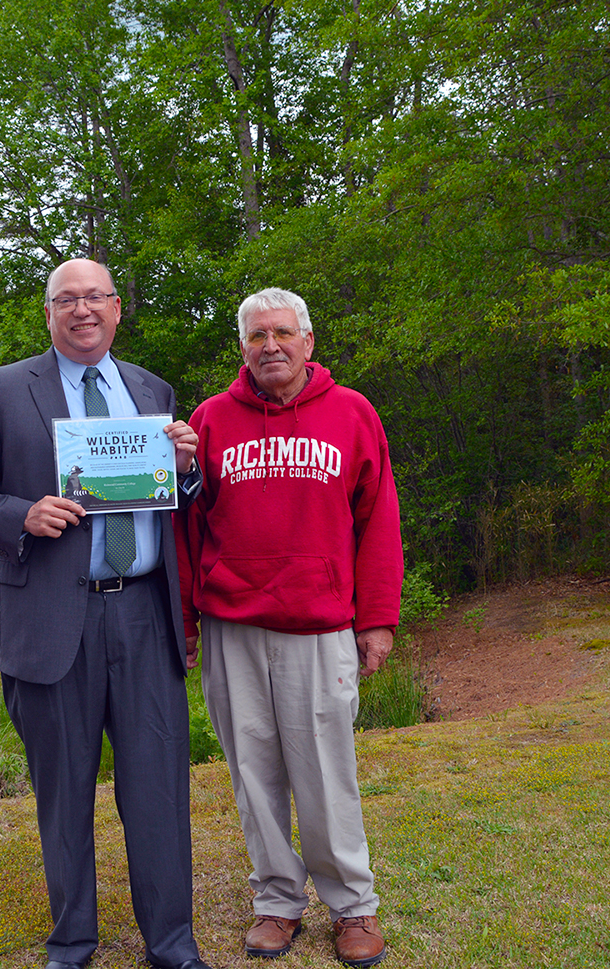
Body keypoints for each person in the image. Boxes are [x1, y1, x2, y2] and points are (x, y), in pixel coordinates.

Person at [0, 258, 213, 969]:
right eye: (68, 299)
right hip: (53, 624)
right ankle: (72, 938)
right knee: (63, 794)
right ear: (49, 313)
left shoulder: (151, 390)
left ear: (118, 309)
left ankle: (172, 941)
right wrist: (20, 514)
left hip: (145, 618)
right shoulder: (0, 390)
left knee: (158, 787)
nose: (82, 310)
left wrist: (185, 467)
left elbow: (172, 498)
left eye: (96, 297)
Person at [174, 288, 402, 967]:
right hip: (232, 627)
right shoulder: (210, 421)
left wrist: (378, 620)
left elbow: (378, 521)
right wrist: (185, 618)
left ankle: (353, 905)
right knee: (254, 773)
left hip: (320, 624)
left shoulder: (352, 413)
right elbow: (185, 527)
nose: (269, 345)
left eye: (281, 333)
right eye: (255, 336)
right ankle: (276, 900)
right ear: (242, 348)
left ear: (308, 342)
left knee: (327, 773)